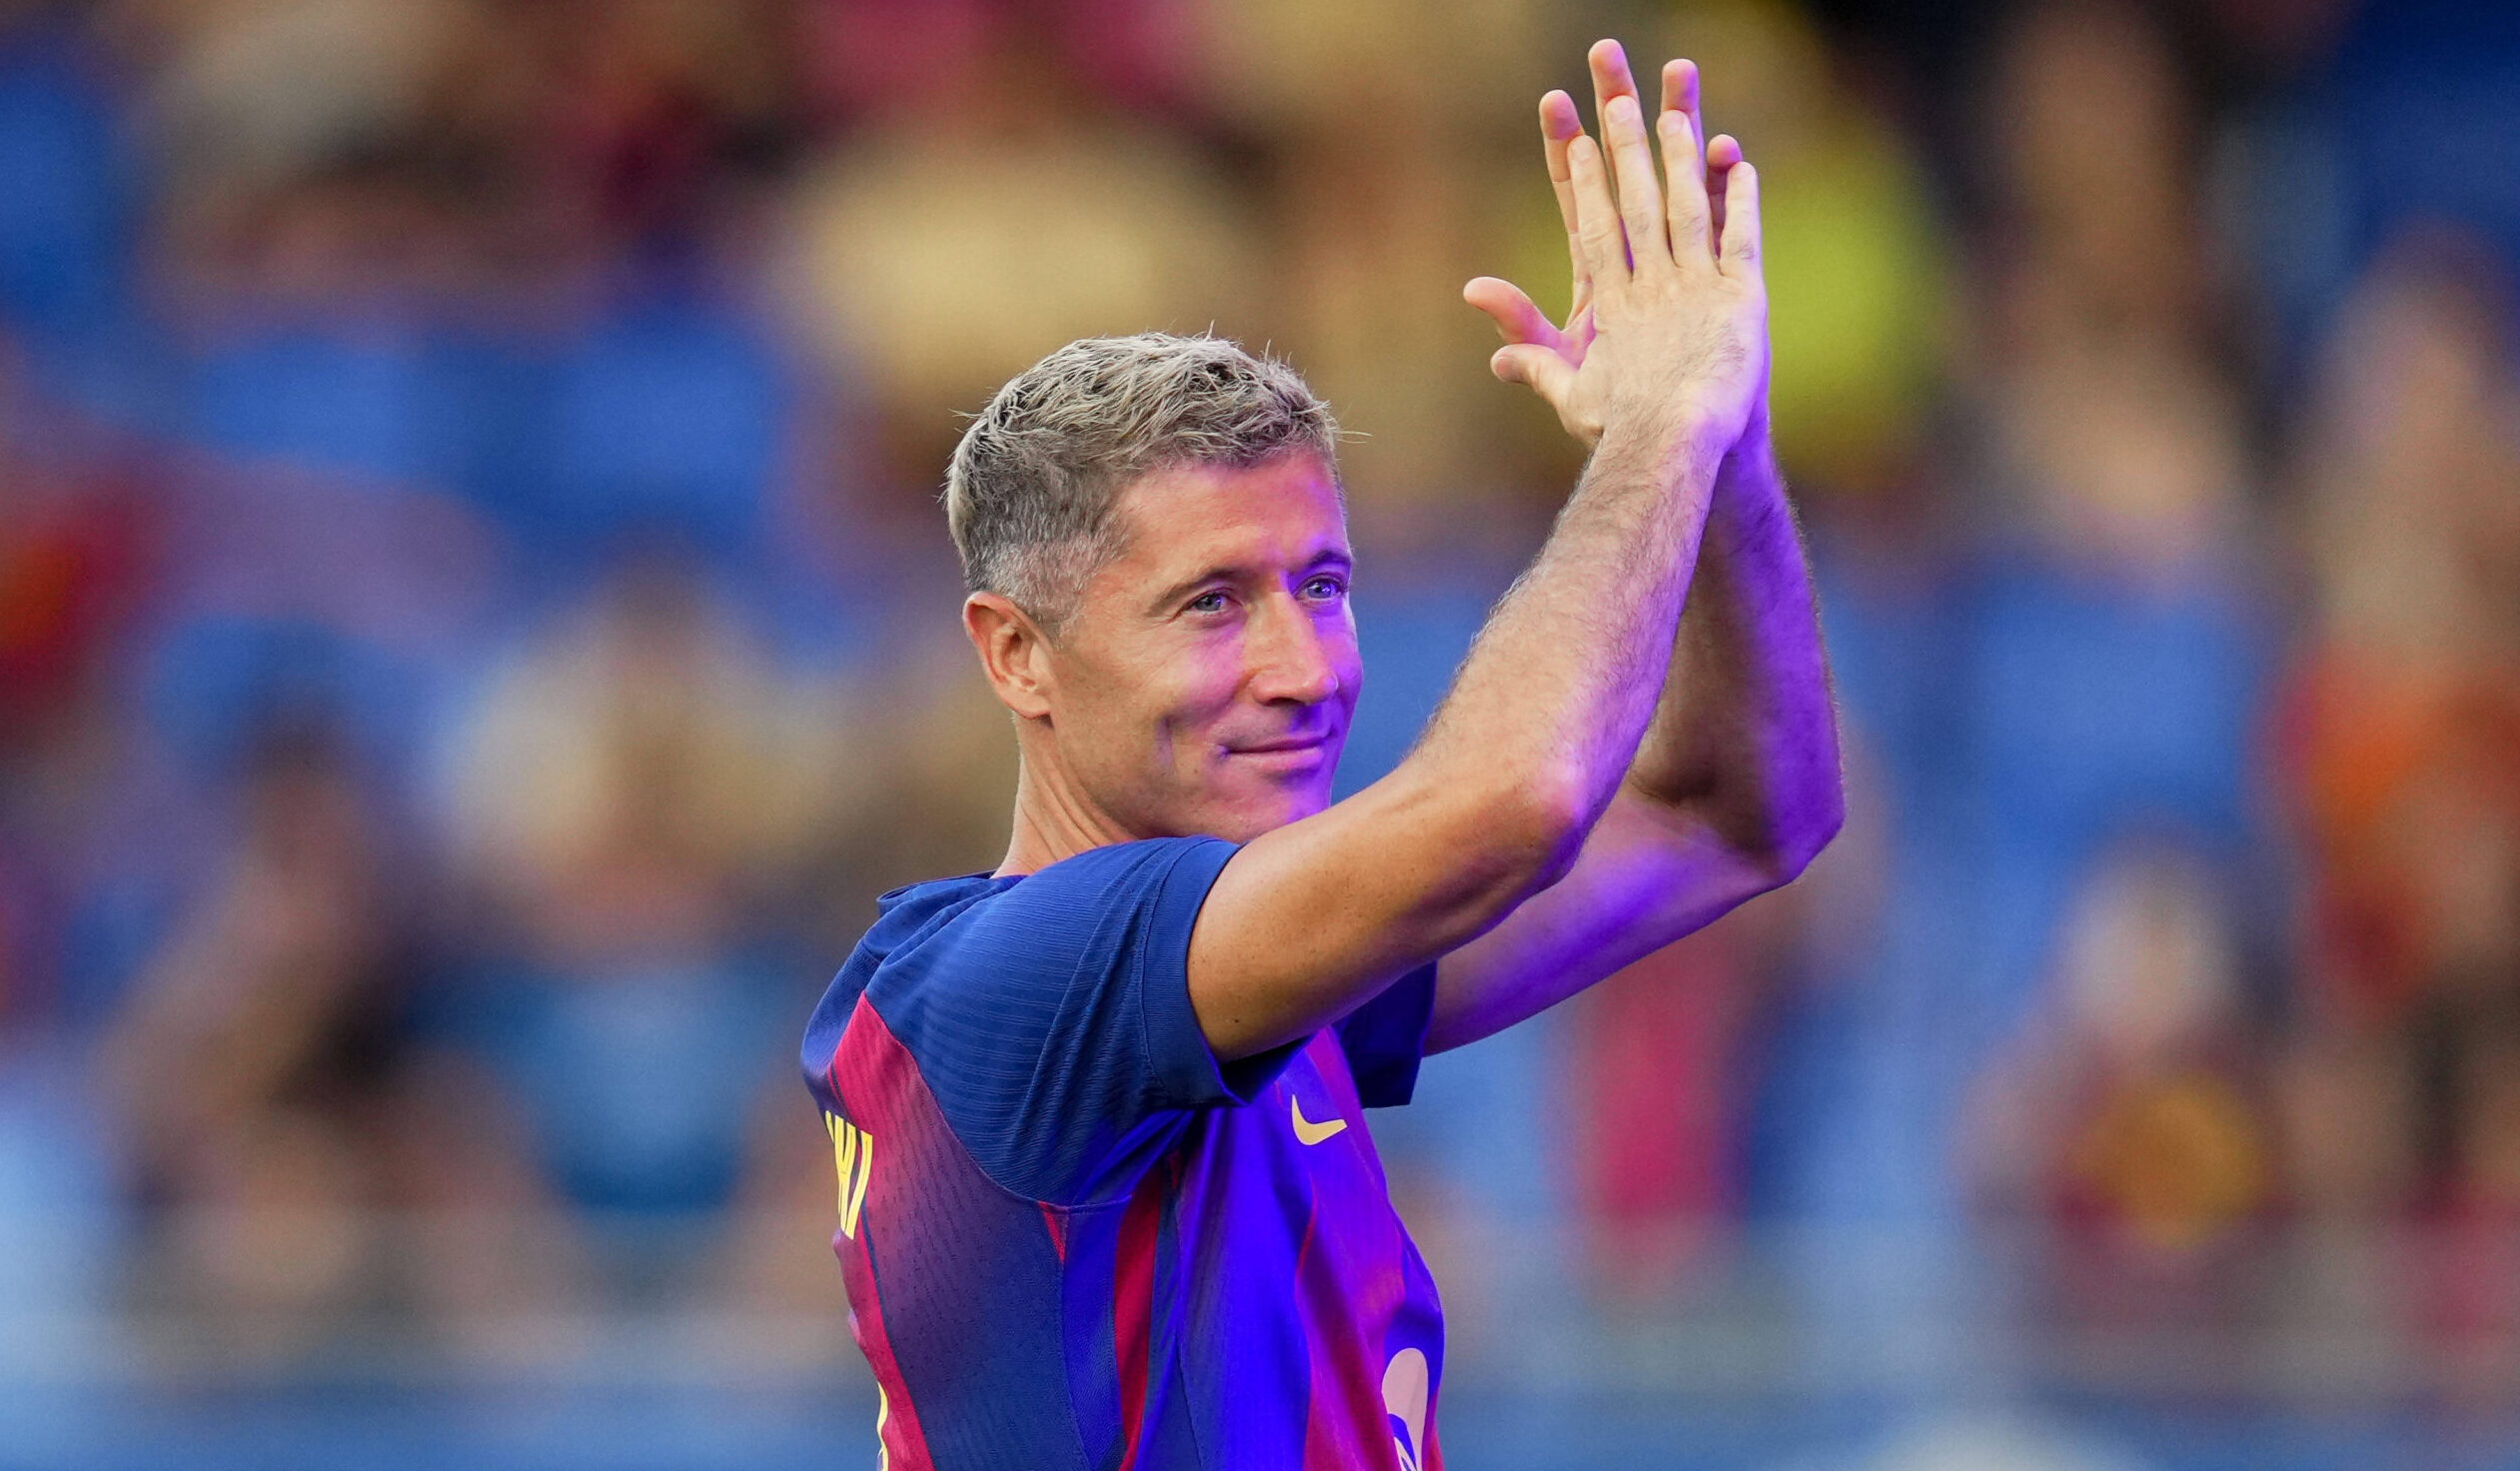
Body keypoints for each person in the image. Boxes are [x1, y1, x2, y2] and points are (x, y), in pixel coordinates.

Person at [798, 40, 1841, 1470]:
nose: (1304, 670)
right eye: (1211, 604)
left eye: (1326, 587)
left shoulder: (1257, 993)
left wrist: (1724, 440)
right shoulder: (1023, 983)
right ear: (1013, 653)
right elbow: (1517, 800)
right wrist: (1652, 433)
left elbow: (1740, 817)